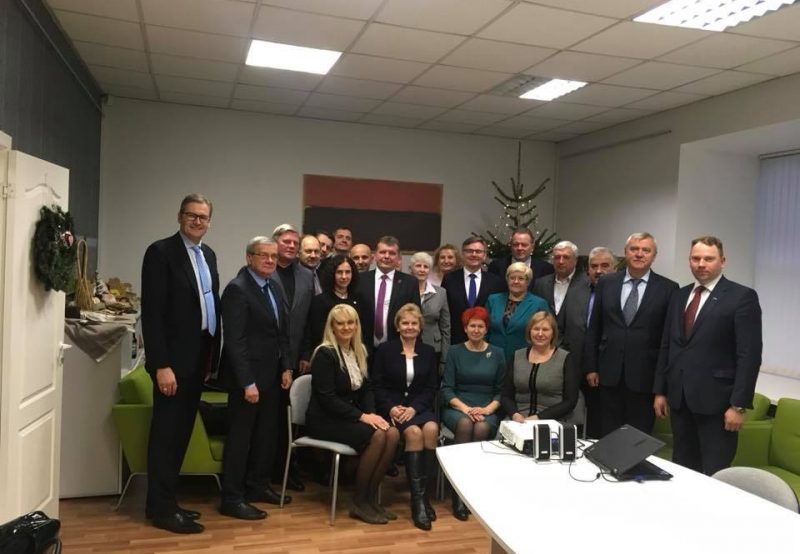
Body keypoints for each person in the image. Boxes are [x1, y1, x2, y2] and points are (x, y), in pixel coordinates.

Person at [141, 193, 220, 534]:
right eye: (192, 215)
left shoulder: (208, 255)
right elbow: (153, 314)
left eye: (203, 217)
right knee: (166, 436)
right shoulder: (161, 253)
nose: (197, 221)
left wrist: (212, 356)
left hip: (198, 358)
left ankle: (165, 502)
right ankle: (162, 510)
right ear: (179, 216)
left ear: (209, 222)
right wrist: (161, 364)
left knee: (181, 435)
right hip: (172, 363)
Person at [654, 236, 762, 476]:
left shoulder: (741, 297)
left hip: (718, 405)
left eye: (708, 259)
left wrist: (738, 405)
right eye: (696, 258)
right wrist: (660, 390)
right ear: (689, 261)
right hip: (680, 400)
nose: (701, 264)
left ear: (722, 261)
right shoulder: (679, 296)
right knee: (683, 468)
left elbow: (749, 355)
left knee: (715, 472)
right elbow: (667, 345)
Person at [218, 237, 293, 520]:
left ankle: (258, 486)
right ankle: (232, 498)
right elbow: (235, 341)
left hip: (272, 376)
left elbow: (281, 333)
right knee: (241, 439)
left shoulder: (274, 286)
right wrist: (247, 382)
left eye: (274, 256)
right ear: (249, 257)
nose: (270, 261)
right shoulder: (237, 289)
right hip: (247, 380)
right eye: (264, 255)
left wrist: (286, 367)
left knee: (266, 435)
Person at [306, 304, 400, 524]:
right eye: (340, 323)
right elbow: (327, 399)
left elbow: (366, 390)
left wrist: (372, 414)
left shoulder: (359, 351)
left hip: (348, 416)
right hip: (324, 420)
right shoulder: (324, 354)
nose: (346, 327)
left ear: (357, 325)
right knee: (378, 436)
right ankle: (359, 501)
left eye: (350, 322)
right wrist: (363, 417)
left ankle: (370, 499)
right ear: (332, 327)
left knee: (393, 433)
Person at [583, 232, 678, 436]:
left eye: (646, 250)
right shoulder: (607, 283)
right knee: (607, 436)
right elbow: (594, 328)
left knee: (637, 439)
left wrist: (661, 386)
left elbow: (667, 340)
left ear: (654, 255)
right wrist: (591, 367)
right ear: (625, 253)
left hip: (645, 378)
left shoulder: (668, 289)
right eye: (634, 249)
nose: (639, 254)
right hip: (607, 375)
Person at [372, 304, 439, 531]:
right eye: (405, 323)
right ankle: (417, 502)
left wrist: (415, 408)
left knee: (431, 430)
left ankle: (424, 496)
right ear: (397, 326)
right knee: (414, 433)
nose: (409, 327)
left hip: (418, 407)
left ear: (420, 326)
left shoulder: (428, 351)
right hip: (393, 408)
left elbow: (431, 387)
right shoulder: (385, 350)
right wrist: (391, 408)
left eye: (414, 323)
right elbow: (377, 385)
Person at [441, 306, 505, 521]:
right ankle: (458, 493)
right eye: (472, 326)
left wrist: (487, 410)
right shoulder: (454, 352)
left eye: (480, 326)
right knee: (466, 424)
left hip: (488, 408)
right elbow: (447, 388)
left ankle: (473, 490)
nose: (476, 330)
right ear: (465, 328)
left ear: (486, 329)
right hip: (458, 407)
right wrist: (466, 409)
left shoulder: (497, 353)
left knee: (481, 427)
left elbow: (501, 391)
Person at [270, 223, 315, 492]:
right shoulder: (265, 269)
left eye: (294, 243)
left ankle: (286, 468)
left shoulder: (307, 276)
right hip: (268, 357)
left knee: (289, 416)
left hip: (297, 356)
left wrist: (306, 352)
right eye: (286, 241)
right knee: (270, 417)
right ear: (275, 242)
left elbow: (309, 318)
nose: (291, 246)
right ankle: (265, 468)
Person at [501, 311, 581, 423]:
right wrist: (514, 414)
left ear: (553, 333)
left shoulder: (566, 358)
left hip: (552, 420)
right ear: (529, 331)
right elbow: (506, 395)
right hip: (518, 419)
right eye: (536, 329)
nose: (540, 334)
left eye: (545, 330)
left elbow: (570, 401)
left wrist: (538, 418)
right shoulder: (517, 356)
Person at [357, 236, 421, 355]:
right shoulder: (360, 280)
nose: (386, 256)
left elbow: (416, 316)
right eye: (382, 252)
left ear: (398, 258)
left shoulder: (410, 283)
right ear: (375, 255)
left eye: (392, 253)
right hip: (363, 348)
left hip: (397, 349)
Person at [581, 246, 618, 438]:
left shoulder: (620, 294)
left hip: (607, 367)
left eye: (605, 265)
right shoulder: (578, 292)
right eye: (594, 266)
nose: (599, 271)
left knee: (605, 421)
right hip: (578, 364)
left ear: (615, 268)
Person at [441, 237, 506, 345]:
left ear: (484, 255)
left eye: (478, 251)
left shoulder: (495, 282)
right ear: (463, 254)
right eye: (469, 251)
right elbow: (444, 312)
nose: (474, 254)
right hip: (455, 341)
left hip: (485, 342)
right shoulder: (449, 279)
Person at [486, 262, 549, 363]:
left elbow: (546, 333)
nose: (516, 281)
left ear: (528, 282)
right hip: (493, 357)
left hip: (524, 359)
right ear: (507, 280)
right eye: (512, 278)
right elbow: (485, 329)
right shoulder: (493, 300)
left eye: (521, 278)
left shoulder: (539, 304)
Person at [307, 254, 361, 351]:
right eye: (339, 272)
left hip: (354, 352)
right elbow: (316, 334)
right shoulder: (320, 301)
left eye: (348, 272)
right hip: (328, 353)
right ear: (332, 274)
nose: (344, 276)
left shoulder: (360, 300)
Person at [408, 251, 450, 368]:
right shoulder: (403, 290)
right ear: (411, 269)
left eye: (426, 267)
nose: (422, 270)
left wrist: (444, 358)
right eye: (418, 266)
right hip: (407, 345)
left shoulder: (441, 293)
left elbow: (446, 327)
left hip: (433, 347)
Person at [487, 227, 554, 290]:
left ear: (532, 247)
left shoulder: (546, 269)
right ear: (511, 246)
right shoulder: (496, 267)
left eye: (524, 245)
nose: (519, 248)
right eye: (516, 244)